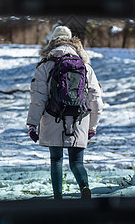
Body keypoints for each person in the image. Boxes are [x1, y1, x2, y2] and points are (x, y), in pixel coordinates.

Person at [26, 26, 103, 199]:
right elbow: (96, 99)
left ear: (52, 42)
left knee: (56, 159)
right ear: (74, 42)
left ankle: (58, 197)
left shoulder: (45, 66)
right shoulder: (85, 66)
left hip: (53, 117)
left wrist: (32, 124)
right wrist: (93, 126)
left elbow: (38, 98)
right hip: (80, 118)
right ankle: (84, 187)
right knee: (77, 161)